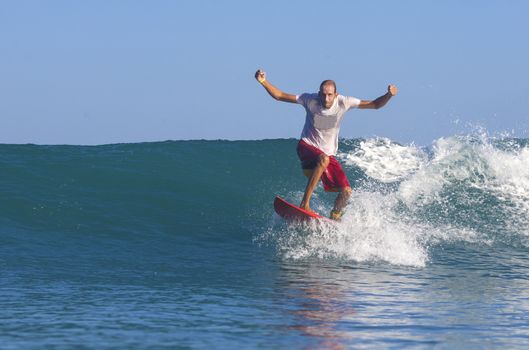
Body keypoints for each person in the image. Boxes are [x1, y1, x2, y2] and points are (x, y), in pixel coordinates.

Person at [255, 69, 398, 220]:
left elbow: (375, 105)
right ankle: (305, 203)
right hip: (307, 147)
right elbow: (280, 96)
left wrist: (388, 95)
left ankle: (335, 216)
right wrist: (263, 81)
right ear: (318, 93)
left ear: (336, 94)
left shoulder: (344, 102)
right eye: (323, 94)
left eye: (330, 94)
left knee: (347, 191)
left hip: (327, 153)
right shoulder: (309, 99)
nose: (326, 98)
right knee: (324, 159)